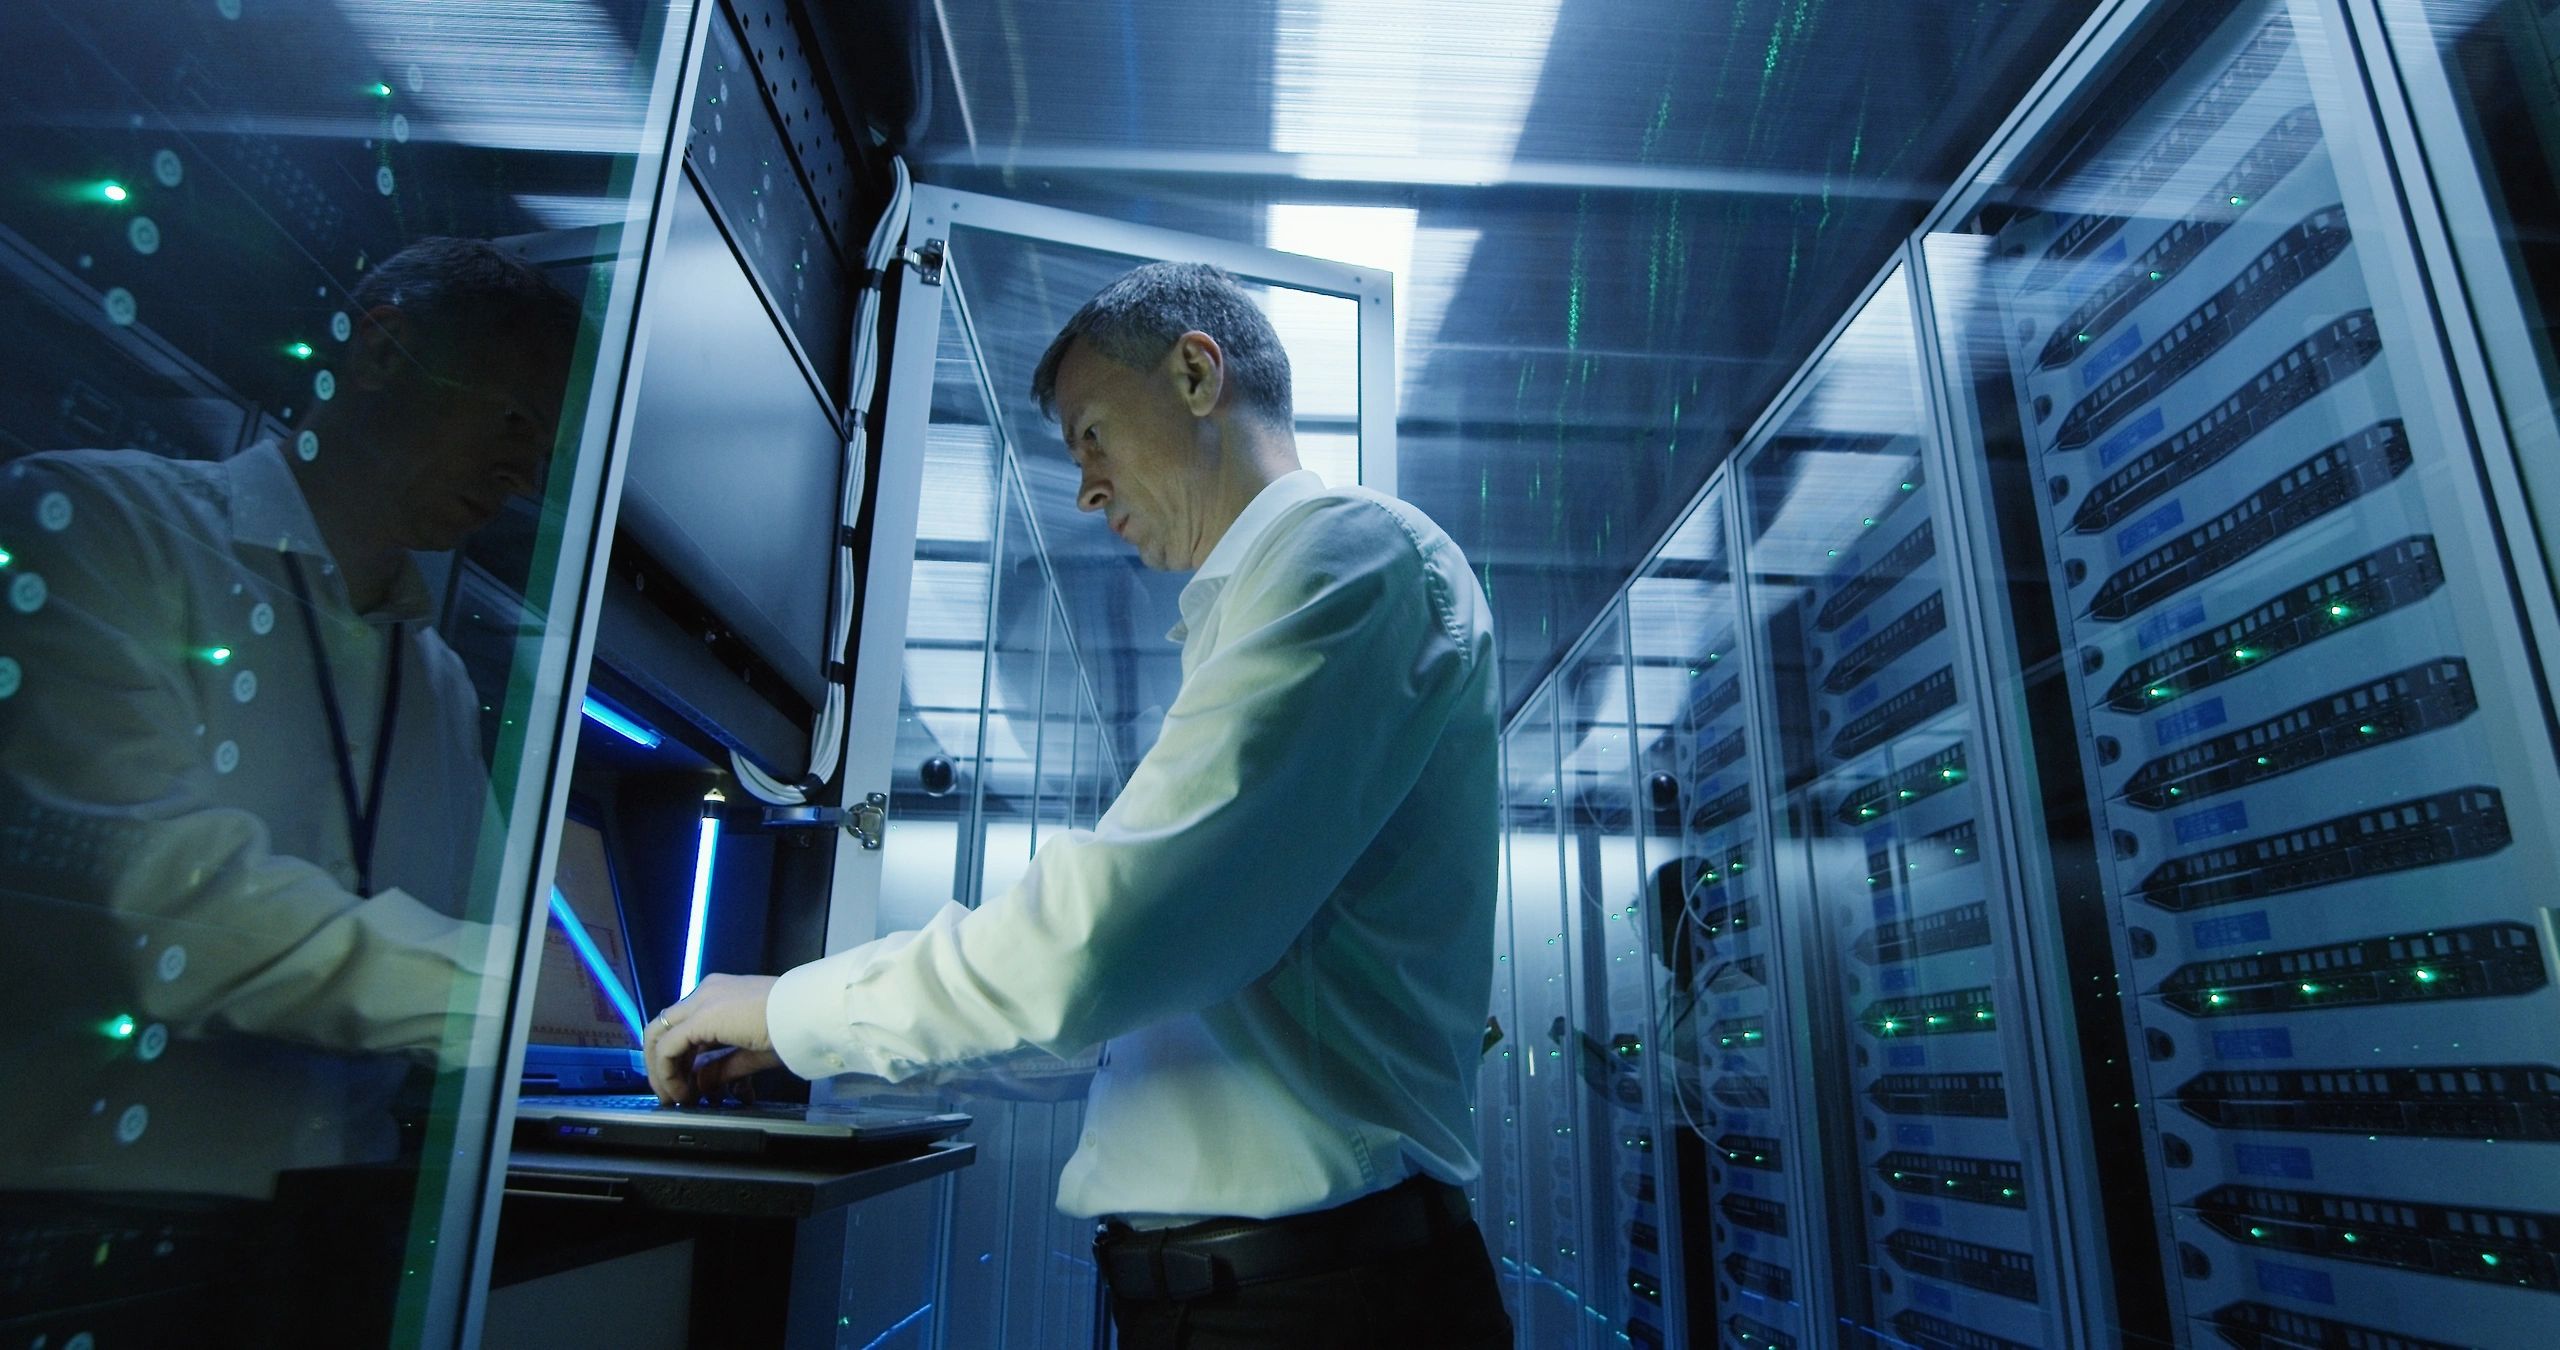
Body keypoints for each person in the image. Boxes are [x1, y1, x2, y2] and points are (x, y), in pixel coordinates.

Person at [648, 262, 1514, 1348]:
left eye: (1093, 435)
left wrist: (794, 1008)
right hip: (1255, 1298)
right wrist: (821, 1041)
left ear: (1198, 374)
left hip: (1318, 1306)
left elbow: (1097, 947)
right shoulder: (1267, 607)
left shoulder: (1349, 557)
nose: (1086, 490)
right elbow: (1119, 1007)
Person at [0, 237, 578, 1333]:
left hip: (338, 1247)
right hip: (87, 1242)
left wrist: (552, 1010)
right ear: (383, 349)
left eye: (547, 445)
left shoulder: (438, 679)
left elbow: (505, 938)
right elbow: (161, 910)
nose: (526, 473)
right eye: (513, 419)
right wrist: (519, 997)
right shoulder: (98, 528)